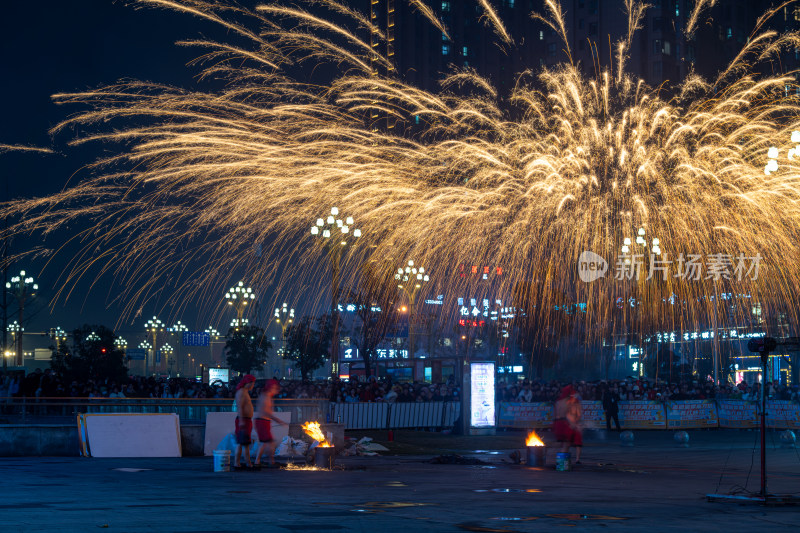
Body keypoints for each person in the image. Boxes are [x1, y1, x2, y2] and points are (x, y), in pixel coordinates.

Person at [254, 379, 287, 468]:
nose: (276, 390)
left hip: (263, 421)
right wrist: (278, 420)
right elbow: (266, 412)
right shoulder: (266, 397)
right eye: (275, 388)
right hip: (262, 421)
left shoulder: (265, 395)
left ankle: (269, 461)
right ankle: (259, 462)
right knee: (266, 442)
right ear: (270, 387)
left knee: (267, 442)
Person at [553, 385, 583, 464]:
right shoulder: (567, 402)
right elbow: (568, 415)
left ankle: (561, 461)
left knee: (563, 443)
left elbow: (555, 414)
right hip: (564, 423)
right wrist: (573, 424)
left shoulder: (558, 402)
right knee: (566, 444)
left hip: (557, 423)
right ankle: (561, 463)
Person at [234, 374, 256, 470]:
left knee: (245, 443)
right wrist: (242, 421)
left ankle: (246, 463)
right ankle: (239, 463)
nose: (253, 385)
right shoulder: (241, 392)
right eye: (252, 383)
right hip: (243, 420)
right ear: (248, 383)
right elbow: (239, 407)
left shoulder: (245, 392)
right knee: (242, 443)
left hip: (246, 420)